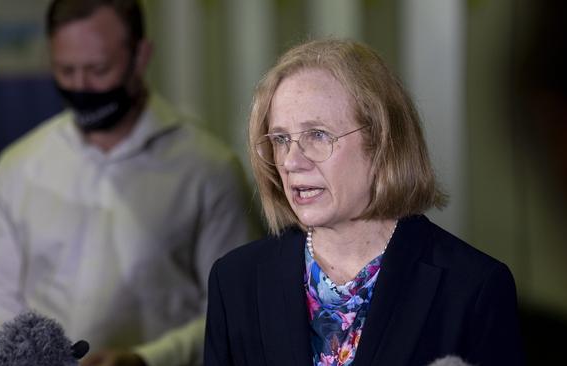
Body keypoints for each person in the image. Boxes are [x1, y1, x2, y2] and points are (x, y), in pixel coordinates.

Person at [0, 1, 259, 365]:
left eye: (99, 69)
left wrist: (147, 360)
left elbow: (238, 308)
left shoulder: (207, 170)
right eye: (65, 70)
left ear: (141, 55)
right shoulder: (19, 167)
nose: (81, 85)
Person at [204, 39, 524, 366]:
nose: (291, 161)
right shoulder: (234, 282)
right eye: (281, 139)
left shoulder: (472, 288)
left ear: (382, 140)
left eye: (317, 135)